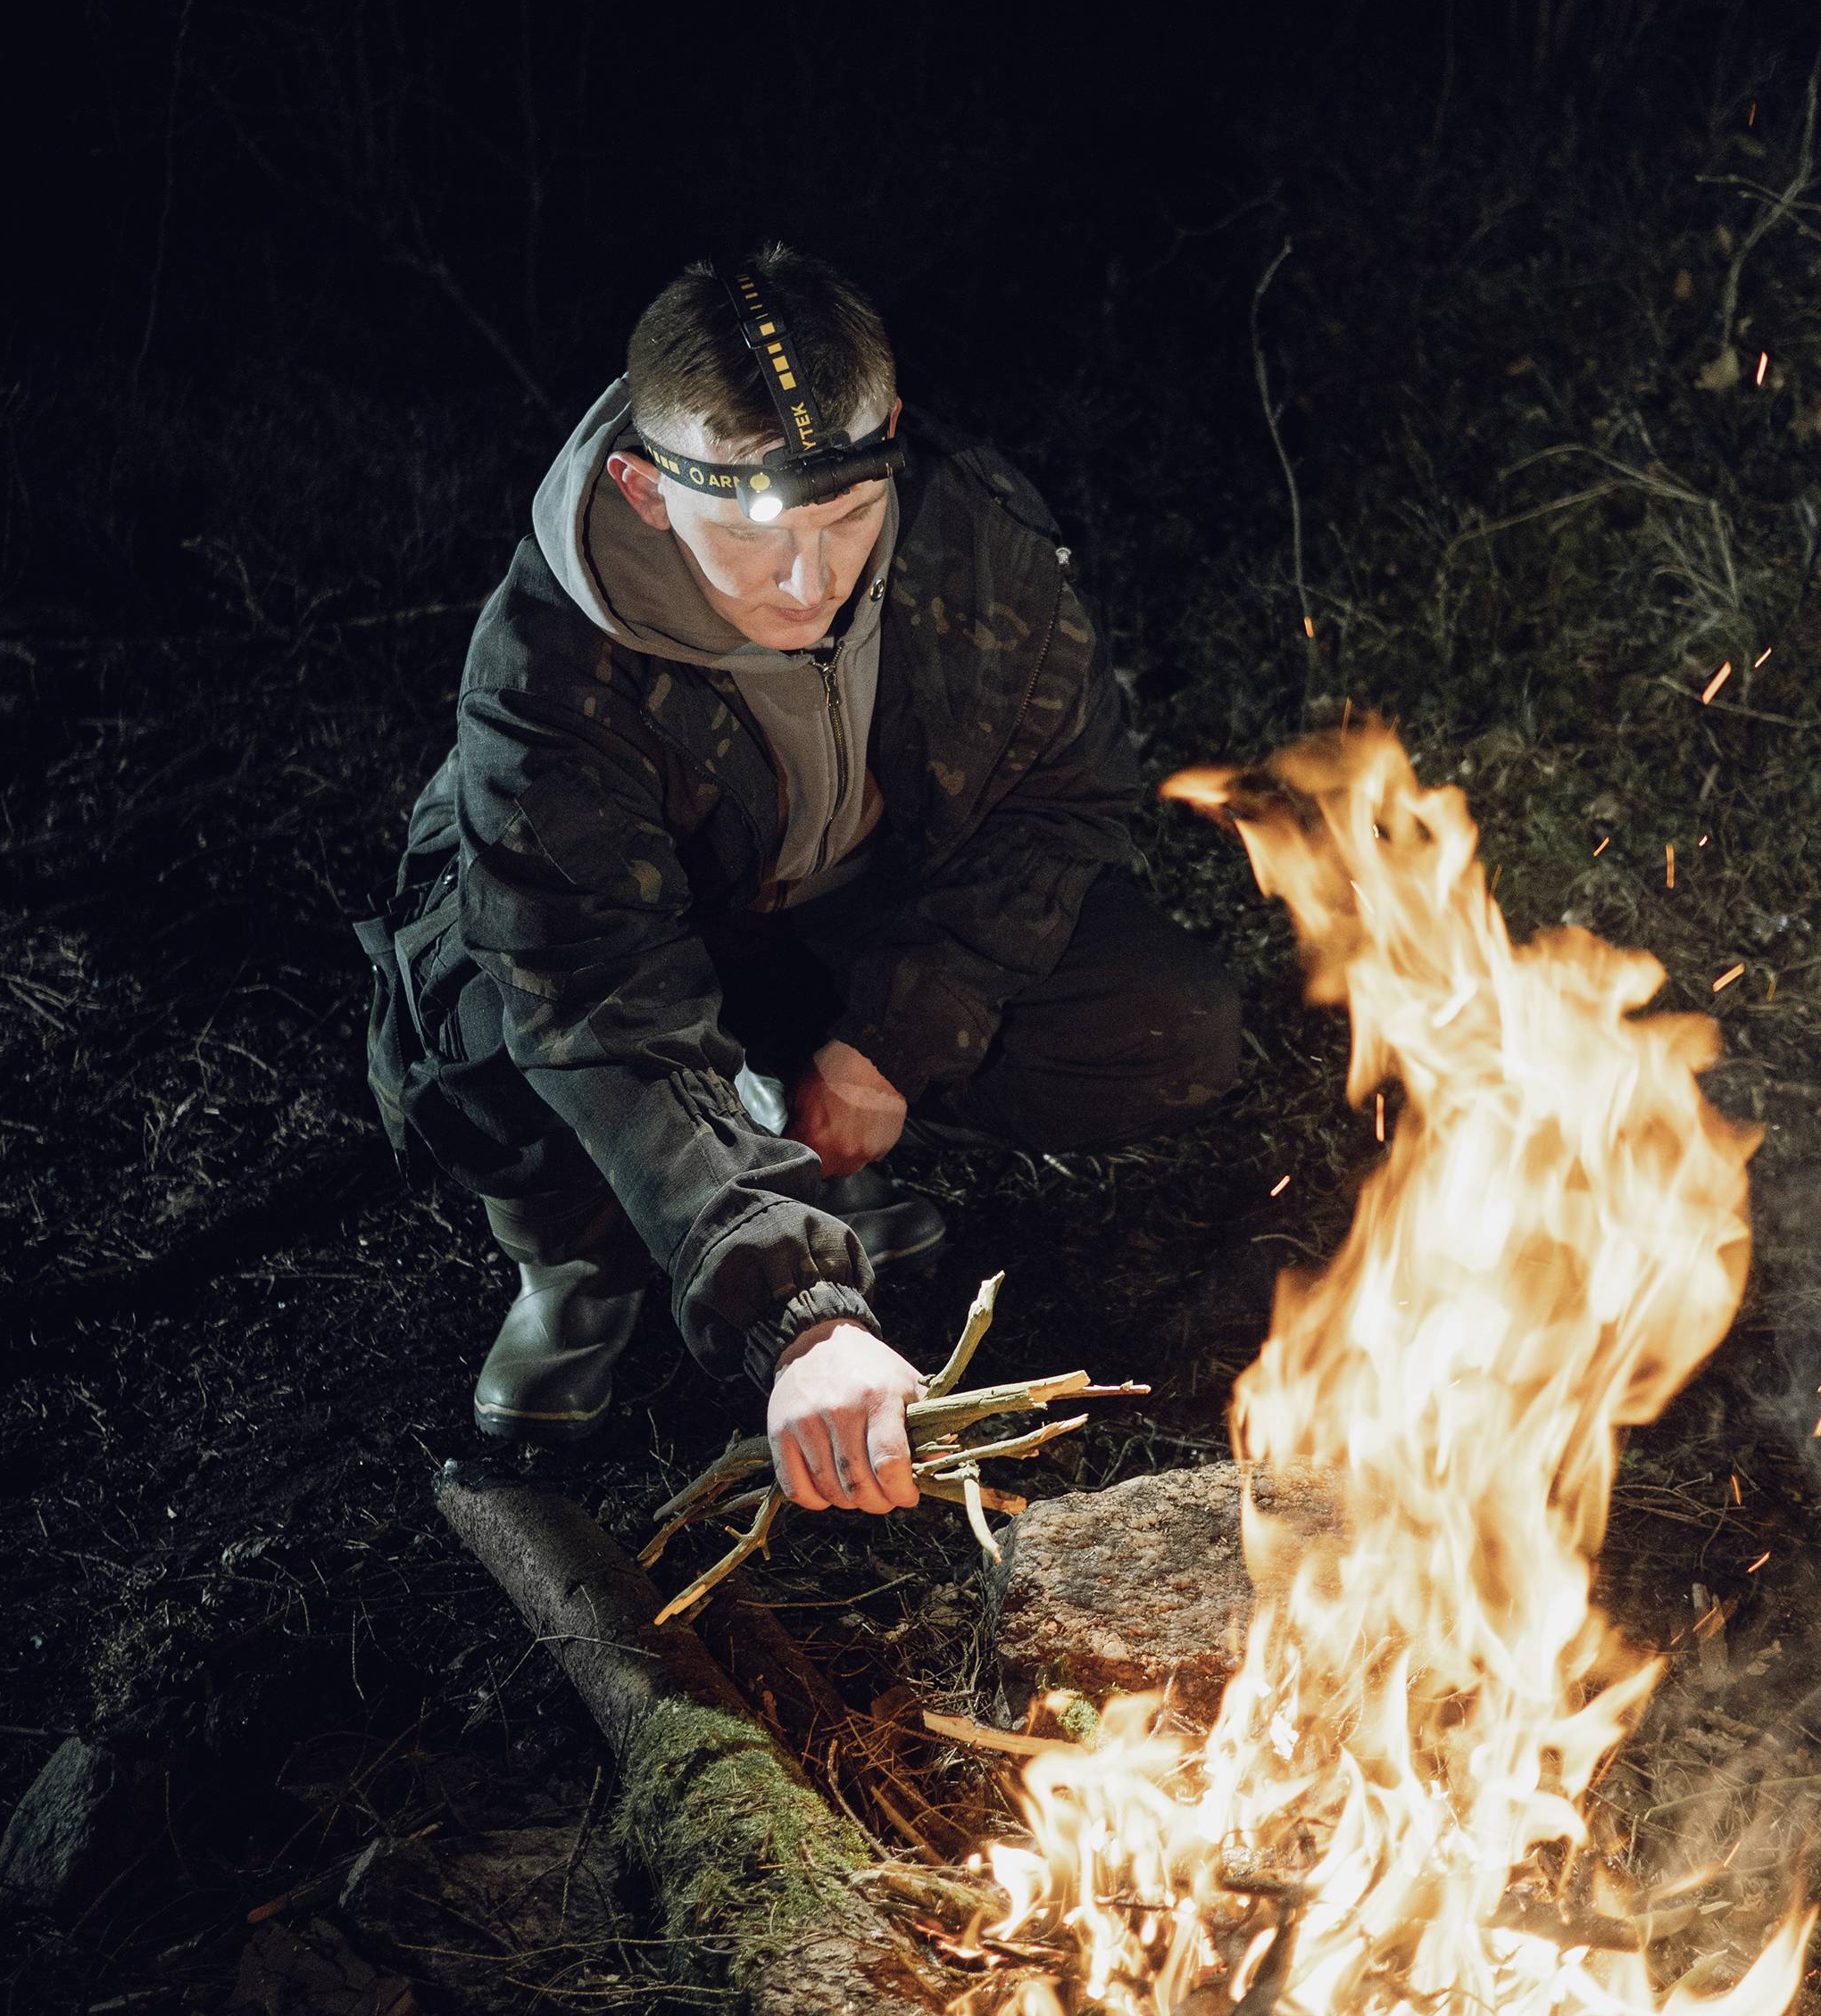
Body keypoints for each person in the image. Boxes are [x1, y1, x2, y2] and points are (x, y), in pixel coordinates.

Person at [354, 245, 1240, 1515]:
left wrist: (888, 1039)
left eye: (845, 522)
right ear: (647, 489)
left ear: (888, 433)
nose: (810, 585)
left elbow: (1062, 801)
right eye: (757, 539)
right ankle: (585, 1259)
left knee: (1165, 1019)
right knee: (496, 1045)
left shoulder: (970, 532)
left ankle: (816, 1135)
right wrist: (804, 1316)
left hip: (832, 914)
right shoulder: (546, 665)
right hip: (607, 957)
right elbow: (597, 999)